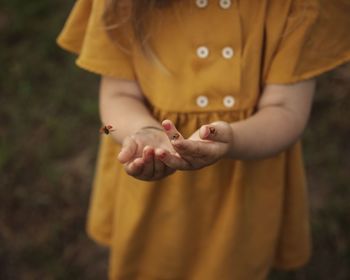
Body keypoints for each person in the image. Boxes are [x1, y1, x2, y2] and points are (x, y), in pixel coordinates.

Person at [57, 0, 350, 279]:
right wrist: (144, 131)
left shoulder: (295, 6)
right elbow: (115, 99)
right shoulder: (124, 5)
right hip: (155, 192)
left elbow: (286, 111)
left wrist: (232, 141)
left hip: (244, 185)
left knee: (234, 265)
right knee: (153, 262)